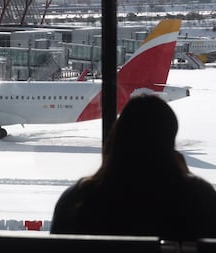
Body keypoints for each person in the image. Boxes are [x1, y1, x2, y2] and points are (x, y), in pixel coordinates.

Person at [50, 94, 216, 240]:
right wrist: (186, 178)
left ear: (117, 138)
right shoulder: (200, 200)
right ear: (170, 139)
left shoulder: (77, 200)